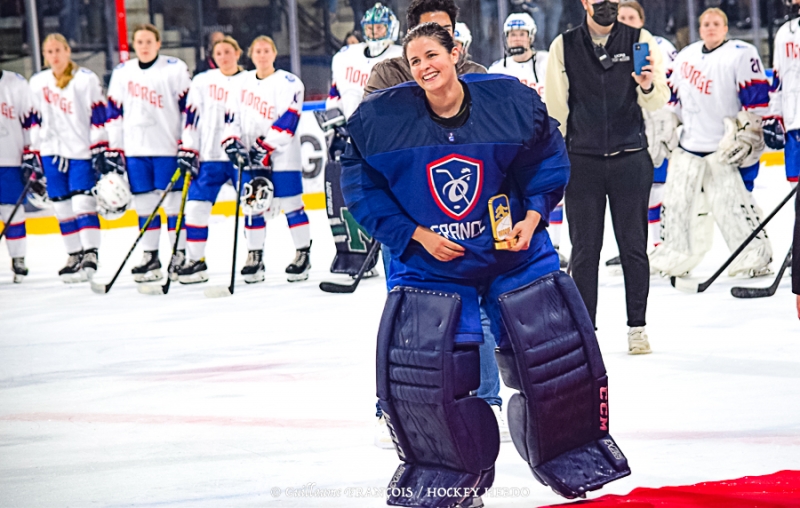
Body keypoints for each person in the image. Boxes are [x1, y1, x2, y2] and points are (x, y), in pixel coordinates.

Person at [342, 22, 630, 505]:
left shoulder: (507, 100)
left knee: (555, 357)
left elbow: (547, 156)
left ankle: (573, 451)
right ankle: (447, 471)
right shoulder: (383, 118)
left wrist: (534, 216)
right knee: (427, 375)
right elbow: (360, 185)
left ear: (455, 53)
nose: (424, 67)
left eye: (432, 55)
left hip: (511, 251)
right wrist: (413, 235)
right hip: (433, 259)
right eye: (414, 61)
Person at [544, 0, 669, 354]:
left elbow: (658, 99)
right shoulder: (563, 46)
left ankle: (637, 326)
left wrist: (645, 85)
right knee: (585, 251)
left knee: (634, 247)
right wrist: (557, 160)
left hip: (630, 158)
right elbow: (556, 108)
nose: (607, 5)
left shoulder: (639, 38)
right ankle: (586, 332)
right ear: (584, 2)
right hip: (583, 162)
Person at [649, 8, 773, 280]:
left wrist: (748, 132)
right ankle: (676, 256)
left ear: (726, 28)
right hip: (690, 147)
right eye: (706, 23)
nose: (710, 28)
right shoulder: (686, 56)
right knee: (680, 208)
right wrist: (670, 120)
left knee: (735, 208)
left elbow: (757, 102)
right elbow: (676, 100)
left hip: (726, 149)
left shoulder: (741, 53)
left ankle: (754, 256)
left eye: (716, 23)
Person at [222, 36, 312, 282]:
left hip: (282, 155)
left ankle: (303, 253)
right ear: (251, 55)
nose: (262, 55)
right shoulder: (240, 83)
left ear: (274, 53)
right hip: (250, 155)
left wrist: (265, 146)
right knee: (252, 206)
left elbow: (289, 119)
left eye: (266, 51)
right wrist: (233, 143)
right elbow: (232, 118)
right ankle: (255, 255)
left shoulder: (289, 82)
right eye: (257, 51)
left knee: (292, 204)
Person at [106, 24, 192, 283]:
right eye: (139, 41)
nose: (143, 46)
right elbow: (113, 113)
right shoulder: (122, 72)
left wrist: (186, 144)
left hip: (167, 148)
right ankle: (150, 255)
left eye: (148, 41)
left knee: (174, 205)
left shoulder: (174, 68)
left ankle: (179, 255)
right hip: (136, 150)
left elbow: (189, 110)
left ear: (158, 43)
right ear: (134, 45)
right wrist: (115, 147)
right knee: (144, 206)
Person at [324, 3, 403, 279]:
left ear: (391, 29)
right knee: (355, 195)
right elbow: (334, 94)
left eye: (379, 27)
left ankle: (395, 258)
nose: (374, 32)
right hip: (354, 138)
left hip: (389, 140)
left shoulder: (402, 55)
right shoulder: (347, 56)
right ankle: (358, 253)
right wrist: (335, 124)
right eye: (370, 27)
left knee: (391, 197)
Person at [488, 13, 568, 269]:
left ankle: (554, 244)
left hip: (543, 139)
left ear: (531, 36)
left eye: (521, 33)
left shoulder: (546, 62)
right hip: (511, 144)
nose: (517, 38)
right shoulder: (496, 69)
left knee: (550, 192)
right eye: (512, 34)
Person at [29, 34, 110, 283]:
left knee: (82, 204)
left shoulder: (85, 80)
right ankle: (74, 254)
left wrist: (100, 147)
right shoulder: (38, 82)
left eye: (57, 50)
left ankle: (90, 252)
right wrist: (33, 152)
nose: (54, 56)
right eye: (49, 52)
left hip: (81, 151)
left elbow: (99, 114)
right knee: (62, 206)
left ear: (67, 51)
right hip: (51, 152)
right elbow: (34, 119)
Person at [605, 0, 679, 270]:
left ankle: (659, 243)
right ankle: (630, 248)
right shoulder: (605, 47)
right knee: (624, 192)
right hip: (620, 125)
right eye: (621, 15)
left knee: (656, 185)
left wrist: (672, 118)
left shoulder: (661, 45)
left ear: (641, 20)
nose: (625, 20)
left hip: (654, 119)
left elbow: (673, 84)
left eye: (631, 16)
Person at [177, 36, 249, 284]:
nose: (224, 57)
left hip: (241, 155)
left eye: (228, 51)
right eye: (219, 53)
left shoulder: (250, 80)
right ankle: (196, 261)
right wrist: (188, 148)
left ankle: (254, 258)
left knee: (251, 208)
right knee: (196, 208)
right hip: (210, 156)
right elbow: (191, 117)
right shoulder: (202, 81)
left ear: (238, 53)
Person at [364, 0, 486, 94]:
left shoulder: (475, 74)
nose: (439, 35)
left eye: (446, 29)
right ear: (411, 34)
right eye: (429, 29)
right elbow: (368, 122)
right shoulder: (387, 74)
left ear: (453, 34)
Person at [0, 69, 37, 282]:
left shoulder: (16, 83)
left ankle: (18, 259)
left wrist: (29, 151)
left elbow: (29, 120)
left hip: (10, 160)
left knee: (12, 212)